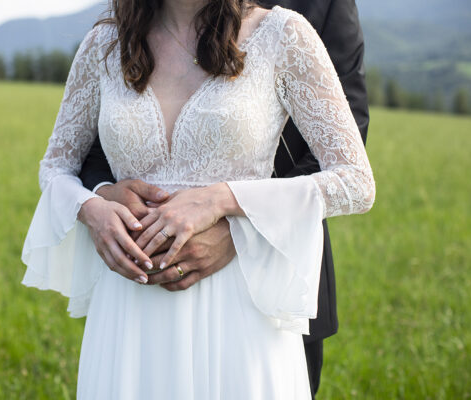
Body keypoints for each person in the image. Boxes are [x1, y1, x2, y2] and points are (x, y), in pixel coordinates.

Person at [21, 0, 375, 398]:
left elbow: (355, 181)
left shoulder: (282, 35)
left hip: (239, 306)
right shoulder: (104, 42)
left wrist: (225, 200)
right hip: (128, 302)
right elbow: (55, 167)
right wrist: (94, 208)